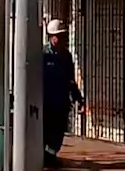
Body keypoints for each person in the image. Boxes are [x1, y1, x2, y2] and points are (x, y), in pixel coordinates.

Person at [42, 19, 84, 168]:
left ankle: (51, 156)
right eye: (58, 36)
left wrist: (78, 98)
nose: (61, 39)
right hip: (46, 102)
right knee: (45, 132)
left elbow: (70, 79)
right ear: (51, 36)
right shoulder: (43, 55)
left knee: (58, 132)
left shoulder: (66, 56)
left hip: (61, 102)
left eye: (63, 36)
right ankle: (45, 157)